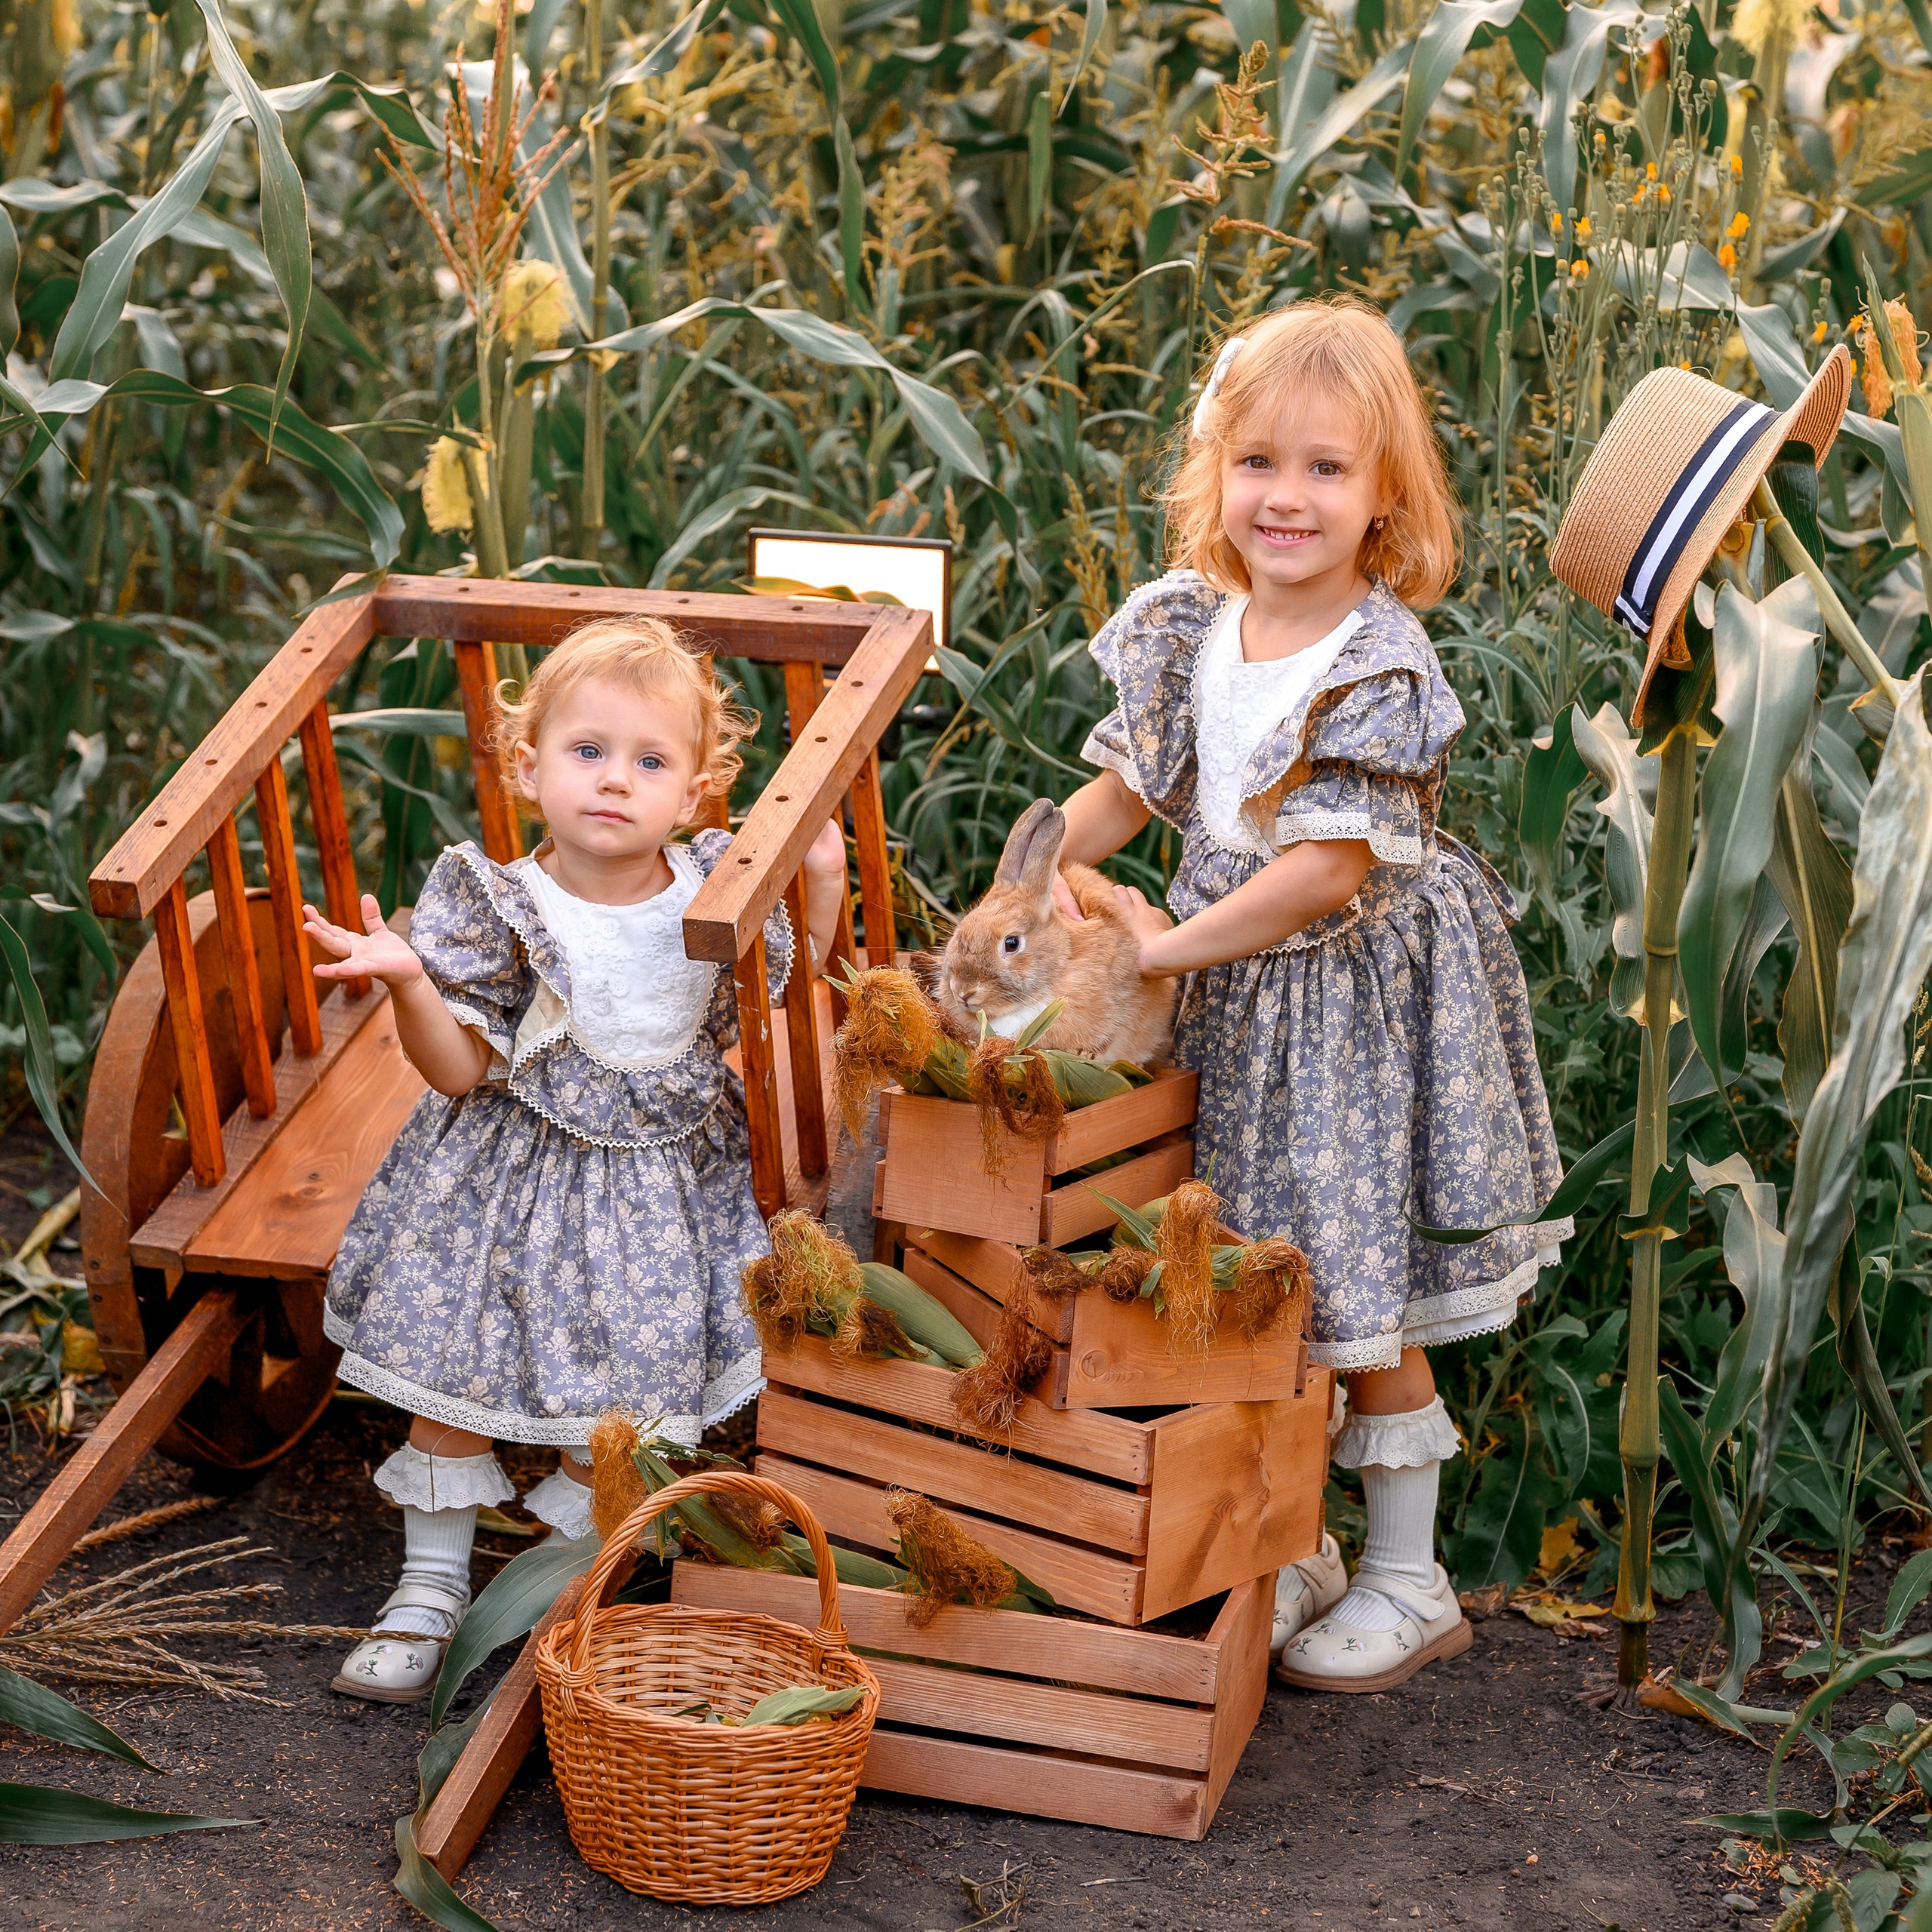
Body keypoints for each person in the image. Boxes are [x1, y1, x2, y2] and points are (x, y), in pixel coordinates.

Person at [1053, 297, 1569, 1693]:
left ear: (1386, 494)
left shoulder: (1377, 663)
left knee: (1345, 1286)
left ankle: (1412, 1577)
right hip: (1239, 987)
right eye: (1259, 462)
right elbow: (1133, 782)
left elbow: (1325, 874)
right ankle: (1297, 1543)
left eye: (1328, 470)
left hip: (1339, 1004)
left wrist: (1156, 952)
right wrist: (1046, 857)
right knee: (1256, 1280)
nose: (1287, 498)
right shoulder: (1195, 627)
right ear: (1215, 473)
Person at [305, 617, 847, 1703]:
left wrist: (820, 878)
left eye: (651, 763)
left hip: (657, 1201)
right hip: (503, 1191)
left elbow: (784, 994)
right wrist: (410, 979)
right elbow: (458, 1072)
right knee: (455, 1369)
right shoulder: (498, 899)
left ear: (696, 791)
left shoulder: (712, 886)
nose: (615, 782)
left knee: (616, 1397)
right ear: (529, 765)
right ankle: (429, 1583)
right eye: (587, 752)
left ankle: (556, 1577)